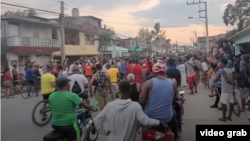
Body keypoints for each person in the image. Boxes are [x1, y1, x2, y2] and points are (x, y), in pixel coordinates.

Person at [93, 81, 161, 141]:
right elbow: (146, 121)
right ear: (130, 89)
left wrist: (104, 132)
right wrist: (159, 122)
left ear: (119, 90)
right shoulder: (135, 106)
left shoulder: (109, 106)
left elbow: (97, 120)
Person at [48, 76, 97, 141]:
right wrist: (93, 109)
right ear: (66, 85)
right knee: (78, 135)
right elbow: (85, 106)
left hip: (55, 124)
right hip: (69, 124)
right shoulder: (71, 95)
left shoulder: (51, 95)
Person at [139, 63, 179, 140]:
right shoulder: (172, 83)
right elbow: (173, 99)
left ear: (153, 72)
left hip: (150, 116)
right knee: (174, 114)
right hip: (167, 117)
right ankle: (176, 135)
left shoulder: (148, 83)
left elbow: (142, 101)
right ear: (164, 72)